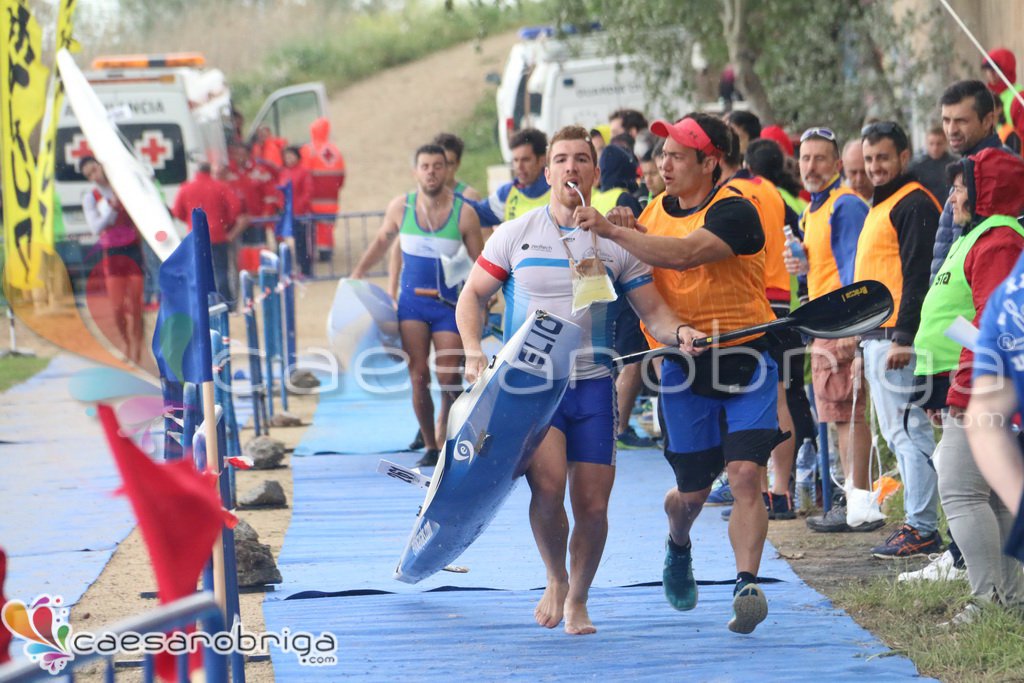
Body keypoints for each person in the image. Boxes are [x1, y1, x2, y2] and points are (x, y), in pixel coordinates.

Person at [457, 125, 686, 635]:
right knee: (547, 486)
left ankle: (579, 597)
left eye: (581, 159)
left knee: (593, 505)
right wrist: (473, 350)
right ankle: (555, 577)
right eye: (561, 159)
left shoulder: (616, 241)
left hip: (593, 386)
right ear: (548, 172)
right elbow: (471, 296)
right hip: (532, 389)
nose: (571, 167)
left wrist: (682, 333)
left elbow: (655, 312)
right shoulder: (515, 233)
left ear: (595, 172)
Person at [575, 113, 783, 634]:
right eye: (661, 154)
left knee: (746, 475)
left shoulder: (737, 209)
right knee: (691, 496)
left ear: (710, 163)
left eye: (676, 156)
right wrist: (624, 229)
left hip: (748, 358)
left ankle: (745, 585)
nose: (663, 164)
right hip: (684, 369)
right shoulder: (651, 212)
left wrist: (614, 230)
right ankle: (678, 541)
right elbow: (644, 256)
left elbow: (686, 254)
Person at [915, 148, 1024, 623]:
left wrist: (964, 392)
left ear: (987, 191)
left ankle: (987, 600)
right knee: (991, 495)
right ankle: (1010, 602)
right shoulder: (983, 235)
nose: (952, 196)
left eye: (960, 187)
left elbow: (992, 324)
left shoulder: (999, 240)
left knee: (960, 490)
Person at [351, 144, 483, 468]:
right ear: (415, 172)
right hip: (412, 307)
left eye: (437, 166)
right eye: (425, 166)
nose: (431, 172)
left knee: (449, 377)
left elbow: (482, 262)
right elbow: (381, 242)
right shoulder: (401, 207)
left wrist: (485, 298)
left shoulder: (464, 213)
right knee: (418, 376)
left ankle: (454, 433)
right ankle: (430, 445)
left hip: (449, 306)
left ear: (447, 170)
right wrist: (358, 274)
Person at [855, 121, 942, 559]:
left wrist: (903, 336)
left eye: (883, 158)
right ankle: (917, 523)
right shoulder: (883, 204)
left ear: (904, 157)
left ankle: (922, 528)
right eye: (869, 159)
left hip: (896, 338)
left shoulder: (913, 203)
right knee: (897, 433)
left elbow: (917, 274)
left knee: (909, 431)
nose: (875, 167)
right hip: (878, 336)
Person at [784, 128, 876, 533]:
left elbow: (857, 271)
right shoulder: (812, 210)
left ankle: (859, 501)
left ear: (837, 164)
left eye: (820, 158)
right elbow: (826, 267)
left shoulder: (844, 204)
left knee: (848, 413)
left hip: (843, 325)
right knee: (839, 414)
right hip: (825, 324)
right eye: (805, 158)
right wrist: (803, 269)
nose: (811, 166)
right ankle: (854, 500)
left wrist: (855, 332)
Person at [591, 142, 652, 449]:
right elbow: (642, 237)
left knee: (608, 358)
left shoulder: (594, 197)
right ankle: (619, 426)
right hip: (623, 282)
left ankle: (604, 423)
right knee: (633, 357)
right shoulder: (624, 199)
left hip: (594, 283)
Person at [933, 81, 1006, 281]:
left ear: (988, 120)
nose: (951, 130)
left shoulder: (999, 175)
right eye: (946, 120)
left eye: (961, 121)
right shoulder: (966, 170)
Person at [81, 156, 146, 363]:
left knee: (136, 304)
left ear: (101, 166)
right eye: (89, 175)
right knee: (117, 307)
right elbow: (96, 227)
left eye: (94, 170)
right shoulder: (91, 197)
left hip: (133, 249)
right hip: (112, 253)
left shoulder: (123, 186)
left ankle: (138, 345)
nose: (94, 176)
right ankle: (126, 341)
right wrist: (112, 207)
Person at [172, 161, 243, 306]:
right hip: (217, 235)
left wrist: (190, 221)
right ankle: (225, 304)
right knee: (221, 270)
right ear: (209, 171)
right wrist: (226, 223)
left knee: (198, 271)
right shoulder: (220, 187)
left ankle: (202, 304)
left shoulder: (186, 188)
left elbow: (177, 212)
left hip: (196, 236)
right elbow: (236, 207)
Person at [471, 128, 549, 229]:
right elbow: (475, 213)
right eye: (515, 160)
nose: (519, 166)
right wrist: (451, 197)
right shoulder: (506, 193)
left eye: (525, 160)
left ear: (542, 160)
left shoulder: (558, 190)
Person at [300, 117, 346, 262]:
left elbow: (303, 175)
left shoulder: (308, 150)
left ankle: (311, 254)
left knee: (311, 228)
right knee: (327, 227)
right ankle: (326, 252)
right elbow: (341, 178)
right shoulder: (336, 151)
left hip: (312, 199)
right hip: (331, 200)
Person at [278, 146, 314, 277]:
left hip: (301, 214)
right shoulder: (283, 172)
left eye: (291, 156)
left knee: (304, 243)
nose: (288, 159)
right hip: (288, 215)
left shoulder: (303, 172)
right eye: (286, 156)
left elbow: (307, 192)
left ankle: (306, 270)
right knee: (292, 243)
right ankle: (294, 269)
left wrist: (298, 208)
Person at [909, 125, 954, 206]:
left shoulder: (954, 165)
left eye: (939, 144)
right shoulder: (916, 167)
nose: (935, 148)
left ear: (946, 143)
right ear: (926, 144)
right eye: (931, 144)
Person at [432, 132, 482, 201]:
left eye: (449, 163)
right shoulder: (420, 198)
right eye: (439, 163)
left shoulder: (469, 197)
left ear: (457, 164)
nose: (444, 168)